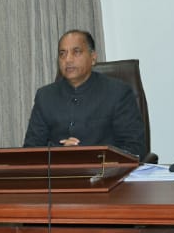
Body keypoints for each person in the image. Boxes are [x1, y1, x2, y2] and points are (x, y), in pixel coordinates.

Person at [23, 29, 147, 160]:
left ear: (93, 57)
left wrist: (86, 155)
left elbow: (134, 148)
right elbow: (31, 150)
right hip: (58, 176)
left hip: (105, 175)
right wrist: (59, 153)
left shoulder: (118, 93)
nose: (68, 59)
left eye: (76, 52)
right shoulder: (45, 96)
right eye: (62, 54)